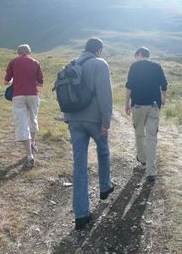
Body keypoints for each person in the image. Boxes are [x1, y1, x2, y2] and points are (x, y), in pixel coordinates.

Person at [64, 37, 113, 231]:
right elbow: (105, 95)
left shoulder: (73, 63)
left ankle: (81, 215)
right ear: (99, 50)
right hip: (94, 120)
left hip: (73, 119)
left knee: (79, 165)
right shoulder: (100, 64)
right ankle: (105, 186)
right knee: (103, 151)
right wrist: (106, 121)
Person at [125, 47, 168, 182]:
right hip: (154, 106)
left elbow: (129, 86)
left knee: (139, 134)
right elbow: (164, 85)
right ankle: (151, 171)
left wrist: (127, 103)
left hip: (137, 106)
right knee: (152, 137)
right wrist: (164, 99)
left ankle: (142, 159)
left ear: (138, 55)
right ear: (148, 56)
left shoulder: (134, 67)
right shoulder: (156, 66)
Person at [4, 44, 43, 168]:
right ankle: (33, 142)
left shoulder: (13, 62)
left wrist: (13, 81)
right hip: (33, 95)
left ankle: (29, 155)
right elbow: (40, 83)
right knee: (33, 119)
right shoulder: (35, 62)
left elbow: (6, 81)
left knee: (22, 123)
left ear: (18, 52)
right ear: (29, 52)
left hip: (18, 95)